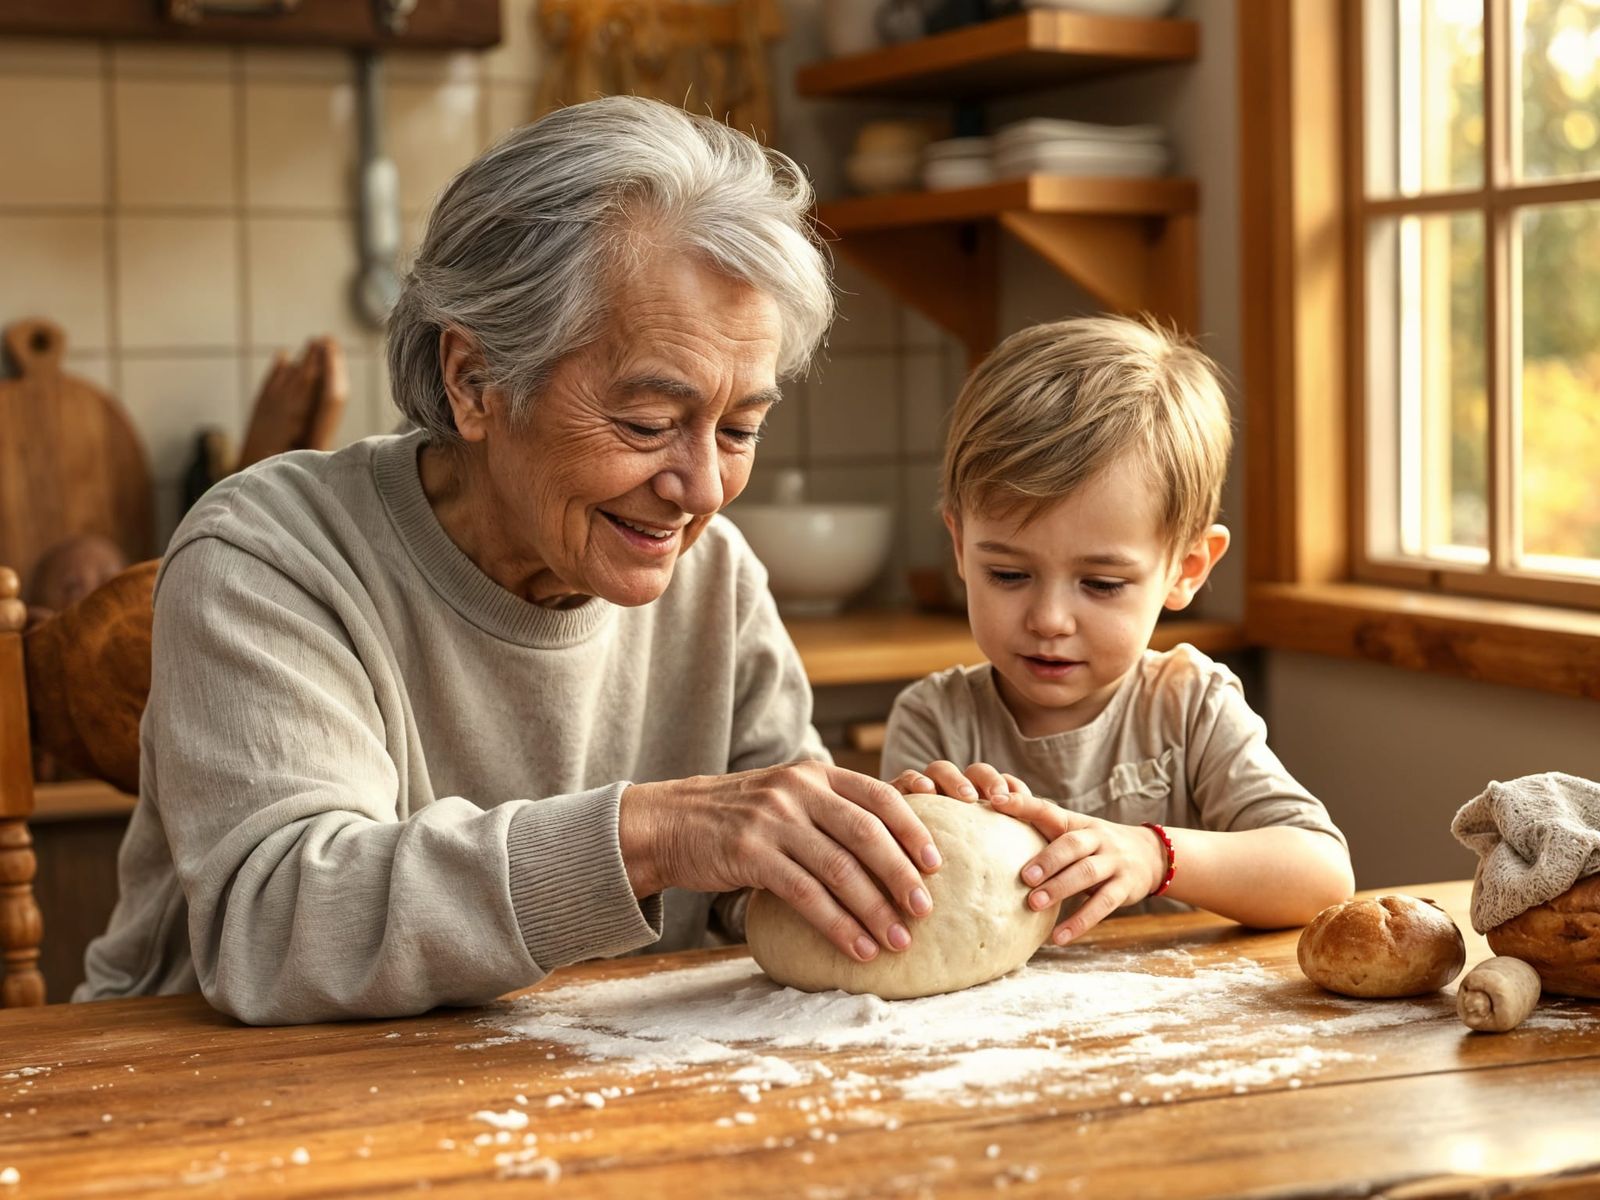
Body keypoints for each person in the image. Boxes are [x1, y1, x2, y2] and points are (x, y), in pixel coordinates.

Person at [77, 96, 945, 1024]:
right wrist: (650, 837)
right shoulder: (271, 557)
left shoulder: (714, 577)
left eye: (740, 428)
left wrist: (895, 846)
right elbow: (282, 926)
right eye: (649, 424)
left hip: (585, 1089)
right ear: (475, 382)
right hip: (218, 1101)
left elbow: (765, 876)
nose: (701, 487)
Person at [883, 316, 1354, 947]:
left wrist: (1154, 856)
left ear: (1186, 570)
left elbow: (1322, 875)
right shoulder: (935, 721)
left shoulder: (1191, 706)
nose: (1049, 619)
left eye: (1101, 585)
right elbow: (900, 908)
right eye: (1008, 573)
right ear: (960, 548)